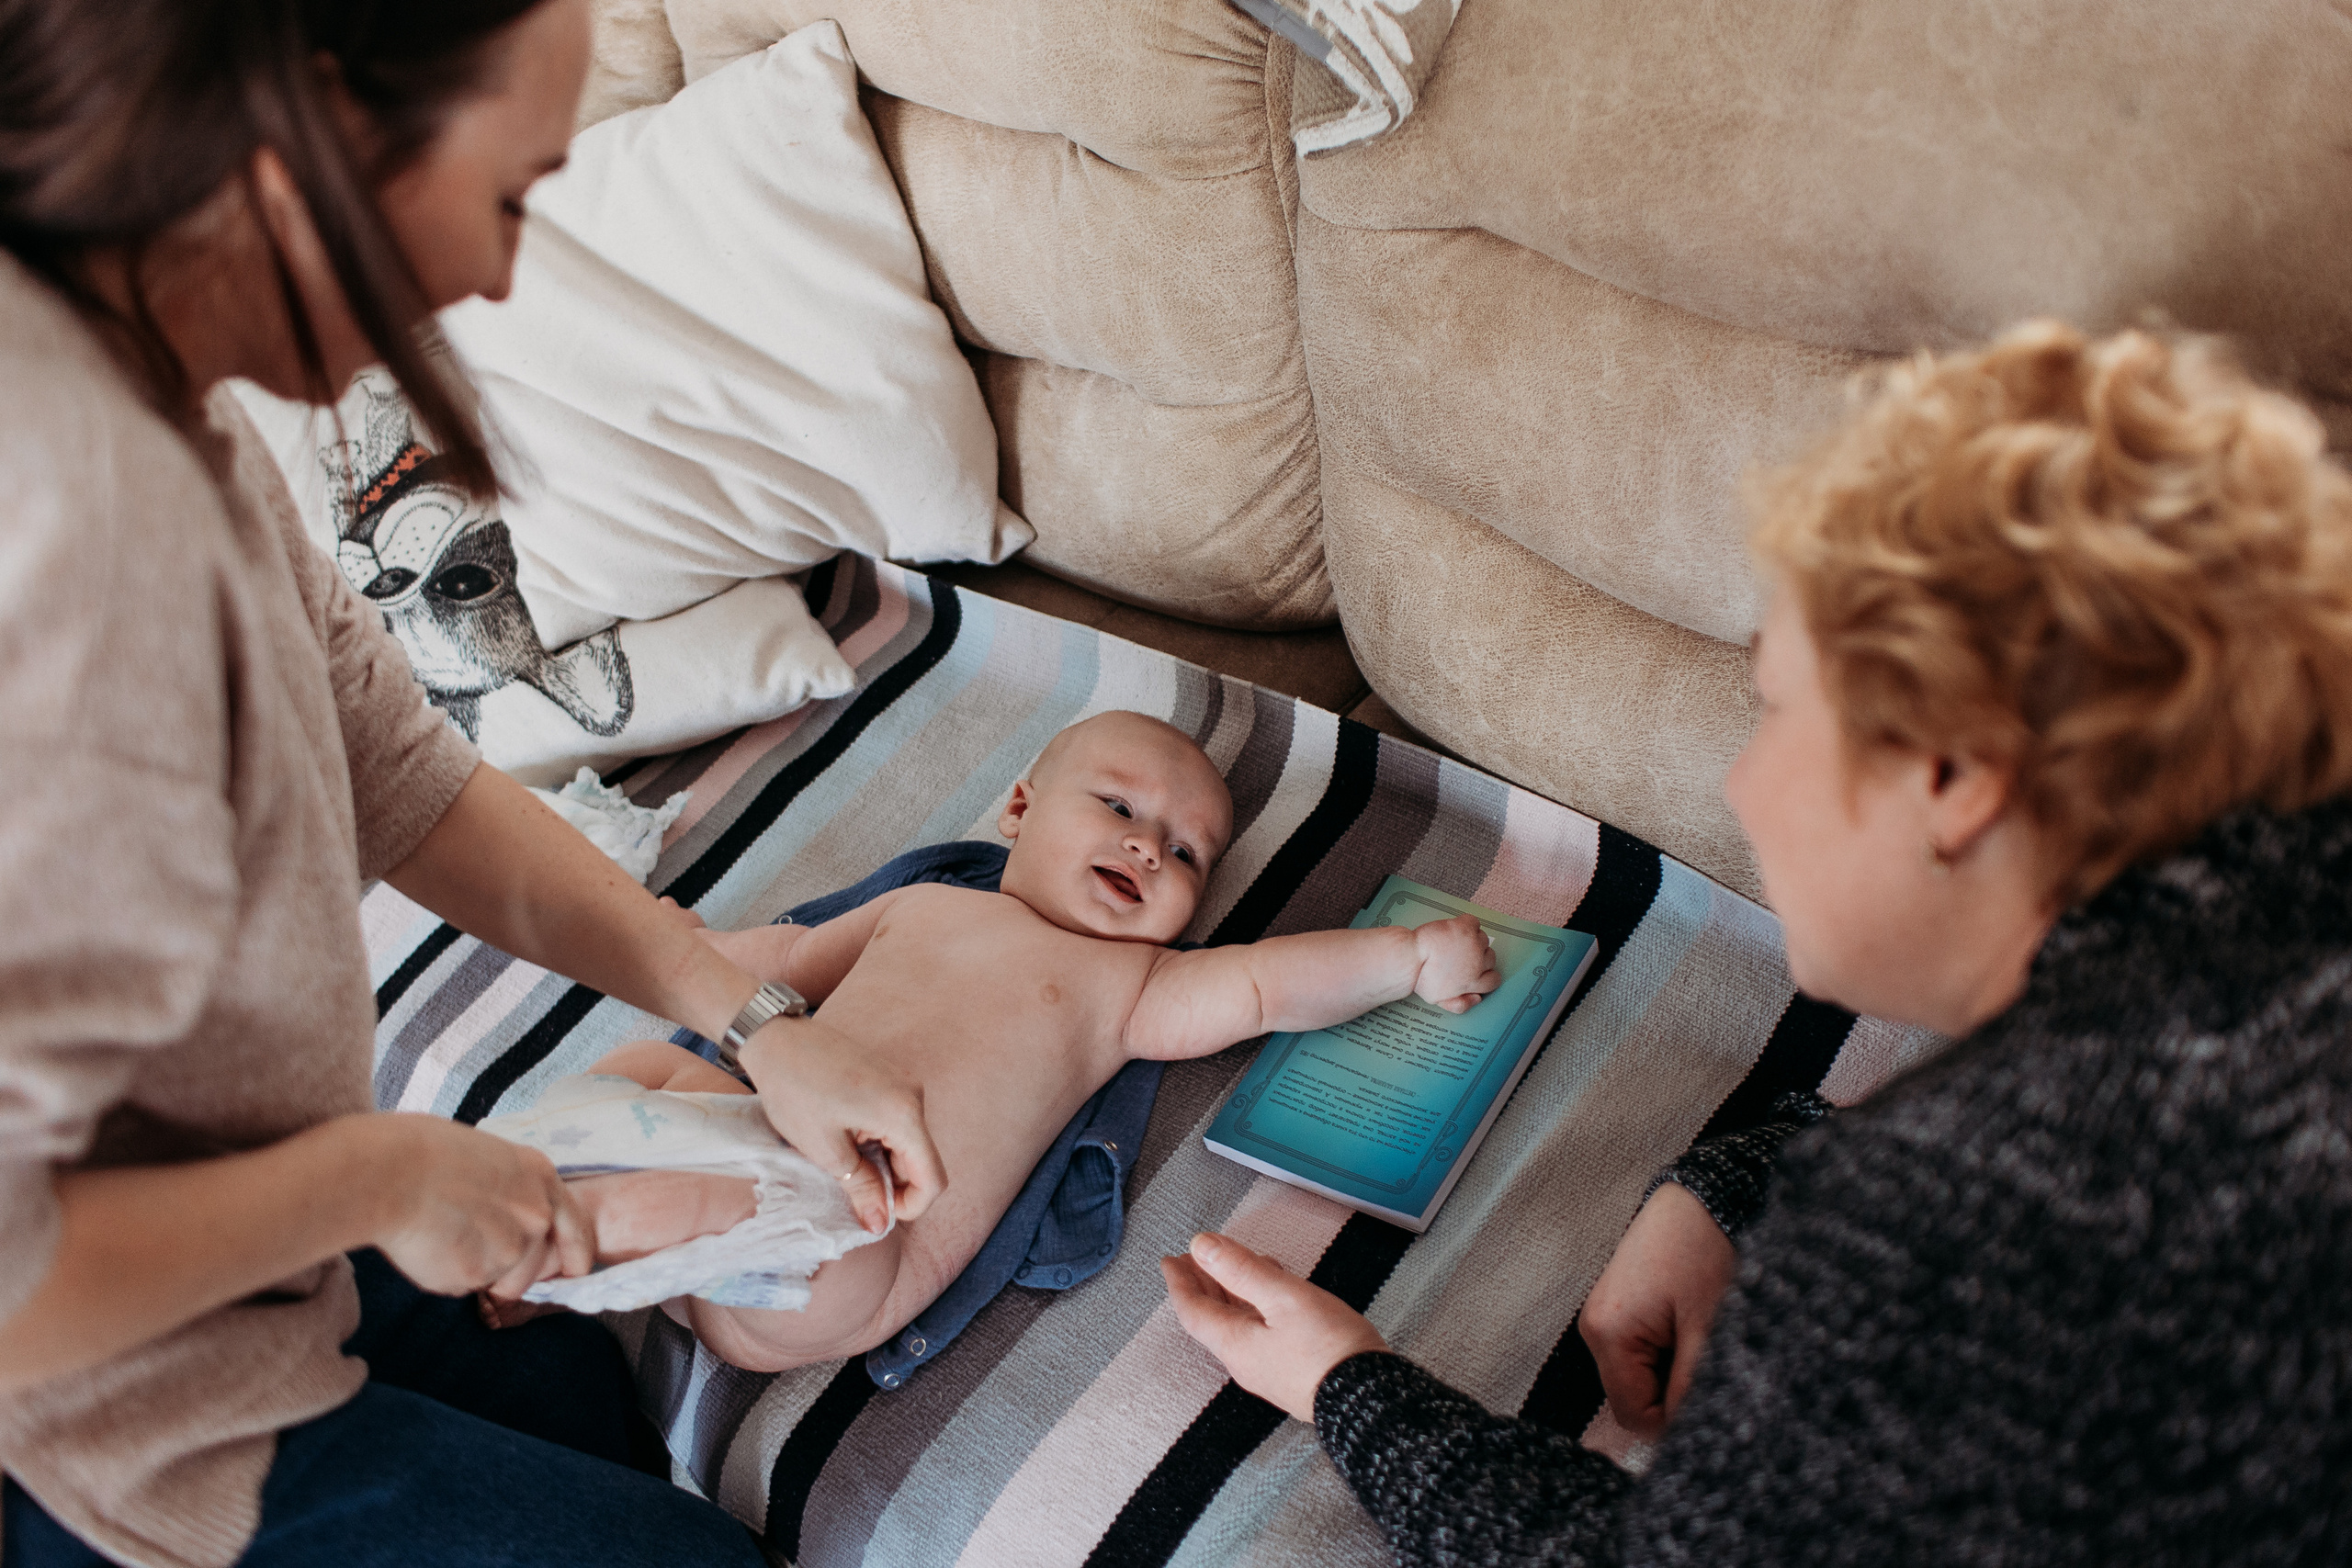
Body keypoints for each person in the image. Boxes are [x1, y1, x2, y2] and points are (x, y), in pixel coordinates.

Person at [0, 3, 947, 1564]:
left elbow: (405, 778)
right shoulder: (84, 546)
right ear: (310, 138)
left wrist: (751, 1015)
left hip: (229, 1261)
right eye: (508, 198)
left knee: (567, 1374)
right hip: (80, 1428)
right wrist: (378, 1174)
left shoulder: (161, 390)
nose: (500, 275)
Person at [1163, 321, 2352, 1564]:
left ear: (1953, 773)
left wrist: (1351, 1385)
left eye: (1777, 708)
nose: (1741, 782)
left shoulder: (1931, 1232)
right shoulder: (2286, 909)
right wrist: (1745, 1181)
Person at [514, 710, 1502, 1371]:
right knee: (643, 1068)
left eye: (1186, 853)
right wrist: (695, 946)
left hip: (854, 1249)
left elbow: (1262, 985)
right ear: (1019, 809)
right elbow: (790, 960)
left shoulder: (1131, 985)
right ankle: (558, 1217)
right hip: (739, 1197)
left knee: (755, 1178)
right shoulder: (924, 903)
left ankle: (566, 1240)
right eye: (1118, 807)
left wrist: (1404, 958)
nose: (1146, 847)